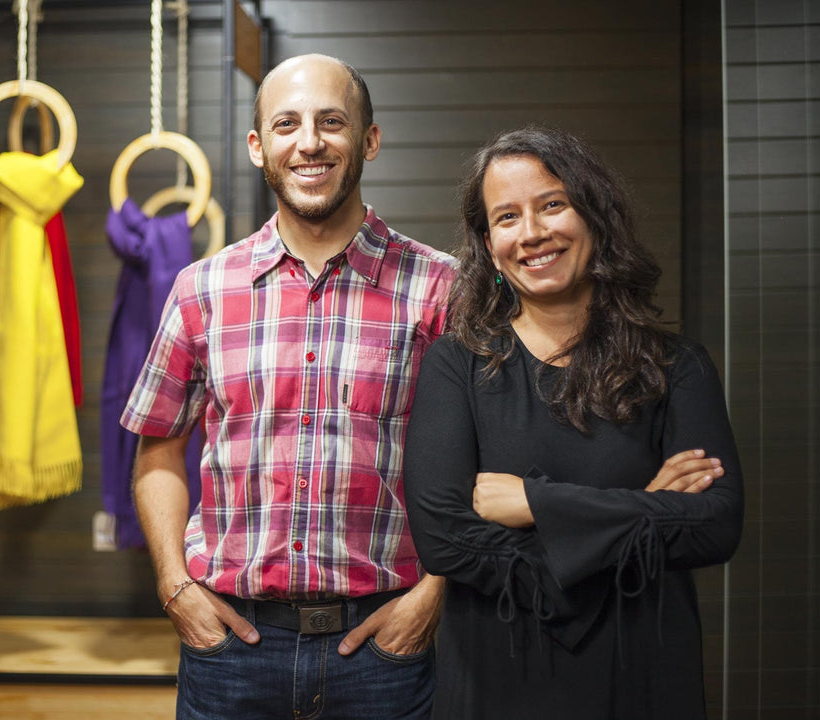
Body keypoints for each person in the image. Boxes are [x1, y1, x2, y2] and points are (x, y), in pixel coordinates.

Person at [121, 54, 457, 719]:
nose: (310, 142)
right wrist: (173, 586)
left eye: (332, 122)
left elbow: (481, 463)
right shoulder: (201, 291)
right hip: (230, 653)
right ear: (258, 147)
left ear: (369, 139)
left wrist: (435, 594)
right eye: (287, 125)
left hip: (384, 651)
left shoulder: (442, 288)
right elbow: (158, 452)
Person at [402, 125, 745, 719]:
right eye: (506, 218)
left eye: (552, 205)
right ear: (488, 245)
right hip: (497, 680)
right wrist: (639, 507)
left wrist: (536, 502)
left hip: (641, 676)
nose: (532, 233)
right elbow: (444, 541)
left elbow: (715, 527)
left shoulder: (676, 366)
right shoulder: (456, 365)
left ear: (593, 216)